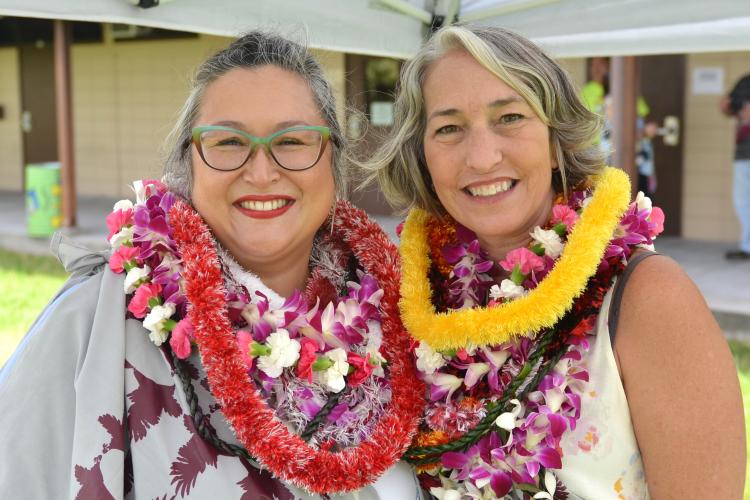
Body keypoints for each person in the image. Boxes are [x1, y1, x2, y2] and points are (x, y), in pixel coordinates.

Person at [0, 31, 425, 499]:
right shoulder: (91, 326)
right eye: (227, 142)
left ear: (333, 160)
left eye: (293, 141)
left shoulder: (406, 321)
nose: (261, 172)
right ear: (189, 164)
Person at [364, 25, 745, 499]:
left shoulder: (648, 297)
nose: (481, 157)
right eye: (448, 128)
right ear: (420, 155)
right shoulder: (405, 303)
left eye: (509, 117)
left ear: (555, 136)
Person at [721, 73, 750, 260]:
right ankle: (747, 246)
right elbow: (728, 107)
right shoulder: (744, 82)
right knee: (742, 201)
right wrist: (728, 107)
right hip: (743, 152)